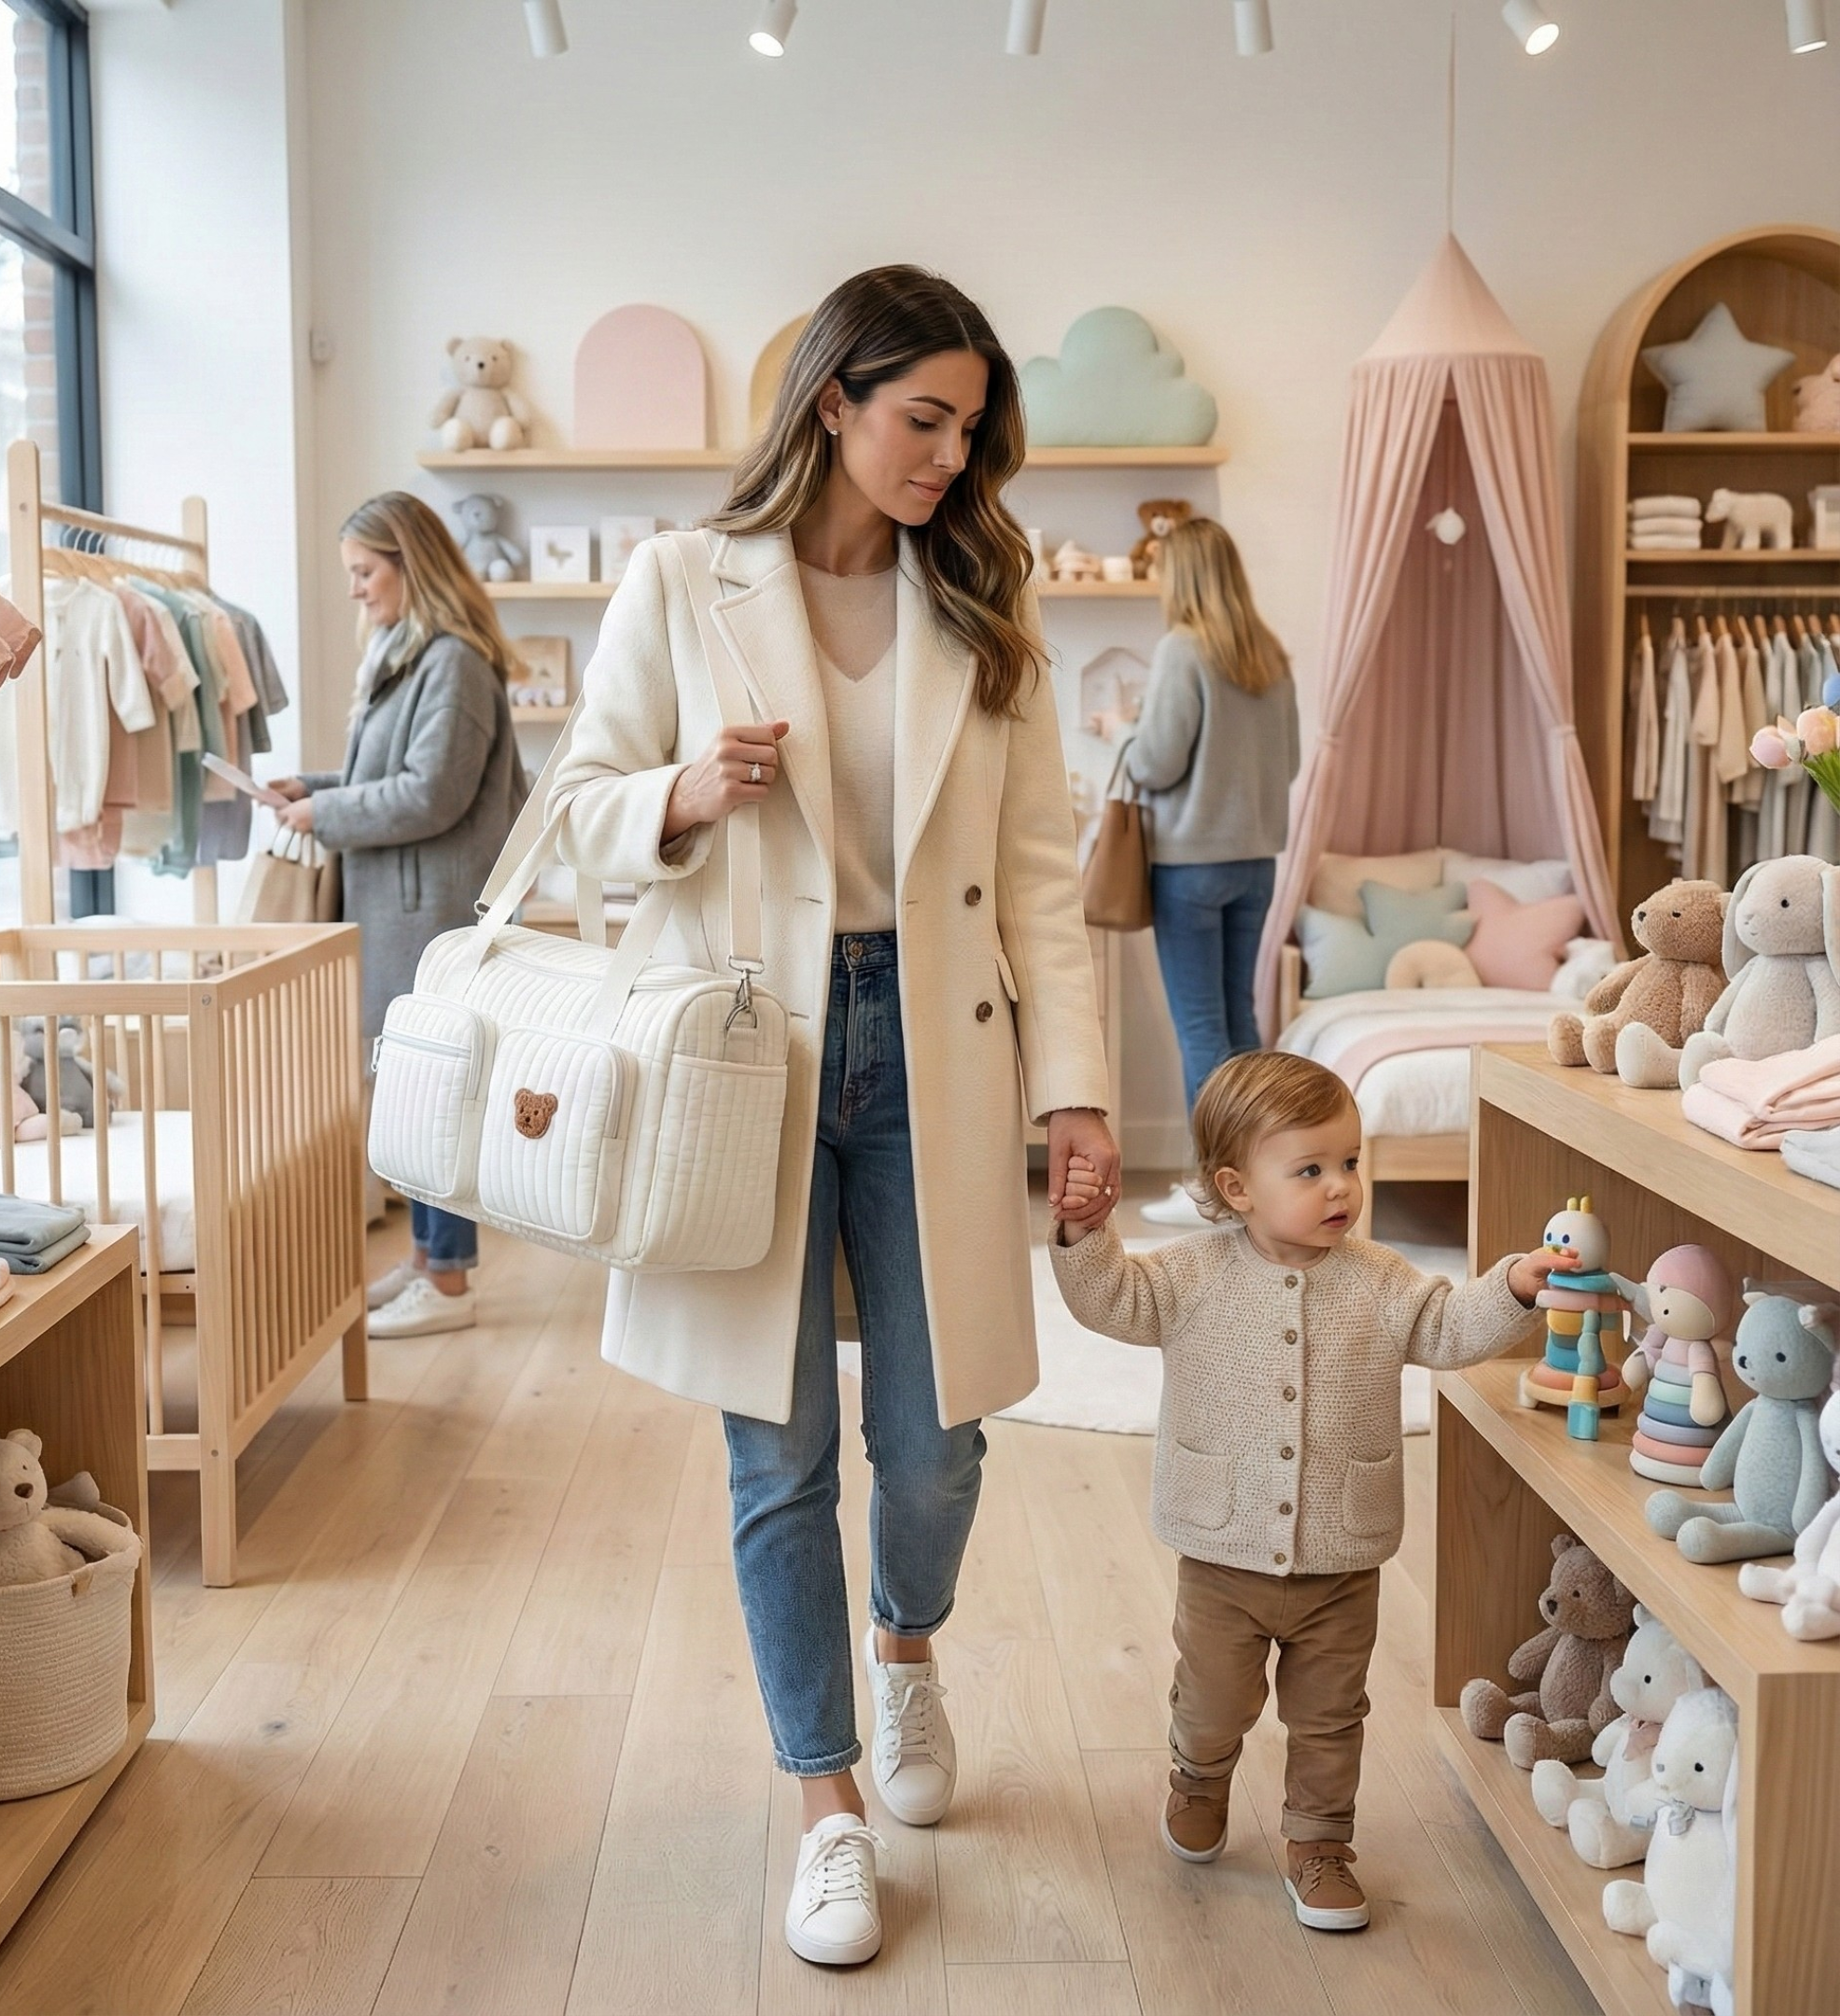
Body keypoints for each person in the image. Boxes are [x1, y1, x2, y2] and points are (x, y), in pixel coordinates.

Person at [547, 266, 1118, 1969]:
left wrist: (1076, 1090)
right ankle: (828, 1806)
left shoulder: (987, 610)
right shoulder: (678, 581)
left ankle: (909, 1645)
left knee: (934, 1440)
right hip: (747, 1052)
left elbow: (1039, 886)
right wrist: (678, 794)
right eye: (920, 418)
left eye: (967, 427)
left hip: (934, 1043)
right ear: (832, 404)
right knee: (773, 1444)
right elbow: (569, 816)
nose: (949, 456)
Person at [1048, 1051, 1570, 1932]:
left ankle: (1321, 1842)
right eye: (1311, 1169)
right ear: (1236, 1187)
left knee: (1331, 1718)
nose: (1341, 1187)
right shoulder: (1187, 1276)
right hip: (1222, 1555)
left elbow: (1448, 1327)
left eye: (1351, 1163)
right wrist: (1082, 1235)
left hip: (1341, 1560)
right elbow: (1112, 1301)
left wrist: (1513, 1285)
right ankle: (1197, 1775)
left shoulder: (1381, 1279)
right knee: (1215, 1705)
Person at [269, 491, 527, 1338]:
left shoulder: (450, 661)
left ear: (409, 565)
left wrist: (327, 816)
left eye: (364, 572)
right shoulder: (410, 655)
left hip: (432, 914)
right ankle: (426, 1261)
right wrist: (318, 788)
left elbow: (431, 794)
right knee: (414, 1095)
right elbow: (397, 774)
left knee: (435, 1096)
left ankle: (448, 1281)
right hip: (406, 907)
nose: (355, 590)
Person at [1095, 517, 1299, 1228]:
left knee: (1203, 1029)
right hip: (1256, 863)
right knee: (1240, 1021)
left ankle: (1215, 1190)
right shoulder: (1269, 654)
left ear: (1181, 577)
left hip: (1190, 866)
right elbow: (1291, 763)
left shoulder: (1184, 650)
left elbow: (1155, 763)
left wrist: (1118, 728)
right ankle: (1262, 1181)